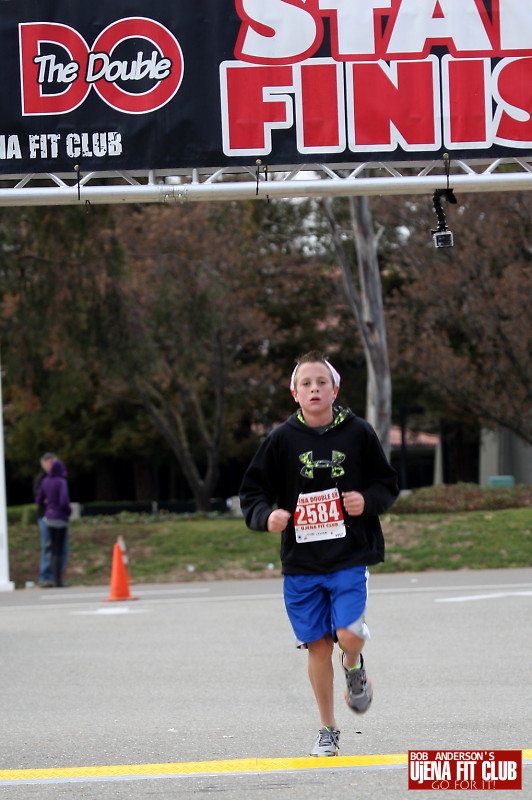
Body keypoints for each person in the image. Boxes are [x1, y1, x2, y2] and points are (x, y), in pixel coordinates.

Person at [239, 351, 399, 757]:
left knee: (349, 636)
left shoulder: (358, 433)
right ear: (294, 393)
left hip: (349, 554)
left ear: (335, 389)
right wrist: (266, 516)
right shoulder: (281, 439)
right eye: (306, 384)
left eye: (321, 382)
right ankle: (328, 728)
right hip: (302, 563)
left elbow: (386, 483)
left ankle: (354, 666)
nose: (314, 389)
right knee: (318, 646)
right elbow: (252, 491)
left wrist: (367, 500)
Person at [35, 458, 71, 588]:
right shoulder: (61, 481)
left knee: (51, 548)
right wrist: (67, 512)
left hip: (48, 518)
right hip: (60, 518)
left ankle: (49, 578)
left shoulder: (45, 480)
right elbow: (64, 500)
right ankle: (58, 579)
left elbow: (38, 499)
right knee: (60, 549)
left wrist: (48, 508)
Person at [32, 452, 56, 587]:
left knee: (58, 548)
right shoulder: (41, 478)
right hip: (45, 517)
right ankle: (45, 577)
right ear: (45, 464)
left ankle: (56, 577)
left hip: (57, 517)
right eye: (52, 462)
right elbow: (39, 498)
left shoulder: (57, 477)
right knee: (48, 546)